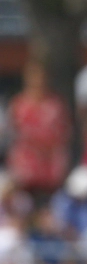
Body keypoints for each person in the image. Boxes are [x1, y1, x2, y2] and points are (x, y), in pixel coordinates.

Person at [5, 59, 71, 197]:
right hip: (25, 170)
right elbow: (11, 135)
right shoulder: (18, 104)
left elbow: (64, 135)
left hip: (50, 169)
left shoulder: (55, 105)